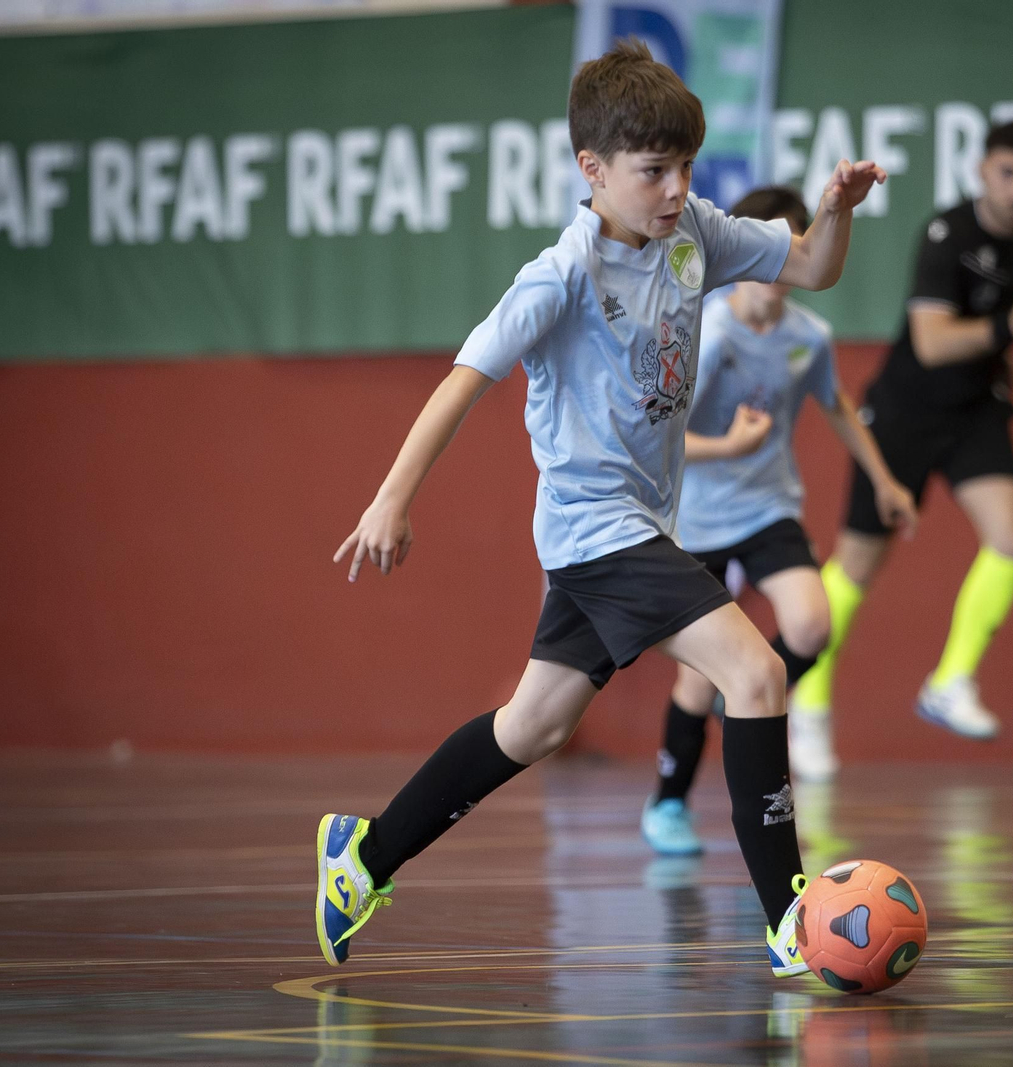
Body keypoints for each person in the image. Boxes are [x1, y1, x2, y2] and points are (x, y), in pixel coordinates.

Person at [313, 40, 887, 978]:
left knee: (532, 725)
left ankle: (364, 854)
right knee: (755, 672)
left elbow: (815, 268)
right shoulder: (560, 275)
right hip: (596, 530)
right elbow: (464, 380)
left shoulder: (695, 233)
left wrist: (835, 211)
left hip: (635, 527)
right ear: (593, 169)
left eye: (686, 168)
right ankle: (791, 921)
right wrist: (391, 498)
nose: (674, 189)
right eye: (653, 171)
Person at [640, 186, 917, 854]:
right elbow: (658, 433)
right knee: (695, 677)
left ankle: (749, 701)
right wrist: (728, 445)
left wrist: (884, 479)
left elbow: (838, 405)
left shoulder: (807, 336)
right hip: (698, 516)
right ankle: (668, 803)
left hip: (769, 508)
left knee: (810, 622)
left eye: (791, 247)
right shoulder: (705, 330)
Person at [789, 120, 1013, 773]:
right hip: (907, 410)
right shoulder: (946, 236)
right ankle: (810, 699)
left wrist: (1003, 355)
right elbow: (934, 341)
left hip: (976, 408)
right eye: (1007, 173)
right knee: (858, 564)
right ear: (981, 171)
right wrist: (1007, 328)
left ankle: (951, 681)